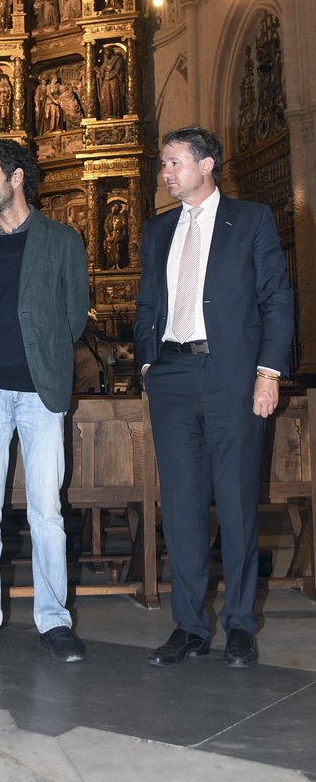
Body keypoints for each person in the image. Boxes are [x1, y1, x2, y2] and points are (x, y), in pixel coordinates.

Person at [134, 126, 293, 670]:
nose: (165, 172)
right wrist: (149, 362)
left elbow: (276, 298)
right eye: (163, 163)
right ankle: (190, 626)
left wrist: (268, 372)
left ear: (206, 165)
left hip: (232, 376)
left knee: (238, 502)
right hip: (172, 375)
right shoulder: (156, 230)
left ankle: (242, 625)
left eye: (174, 162)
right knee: (180, 507)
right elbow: (146, 302)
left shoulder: (251, 220)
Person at [0, 139, 89, 664]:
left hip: (41, 392)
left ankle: (55, 619)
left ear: (16, 178)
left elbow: (75, 314)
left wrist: (45, 355)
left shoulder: (63, 240)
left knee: (47, 513)